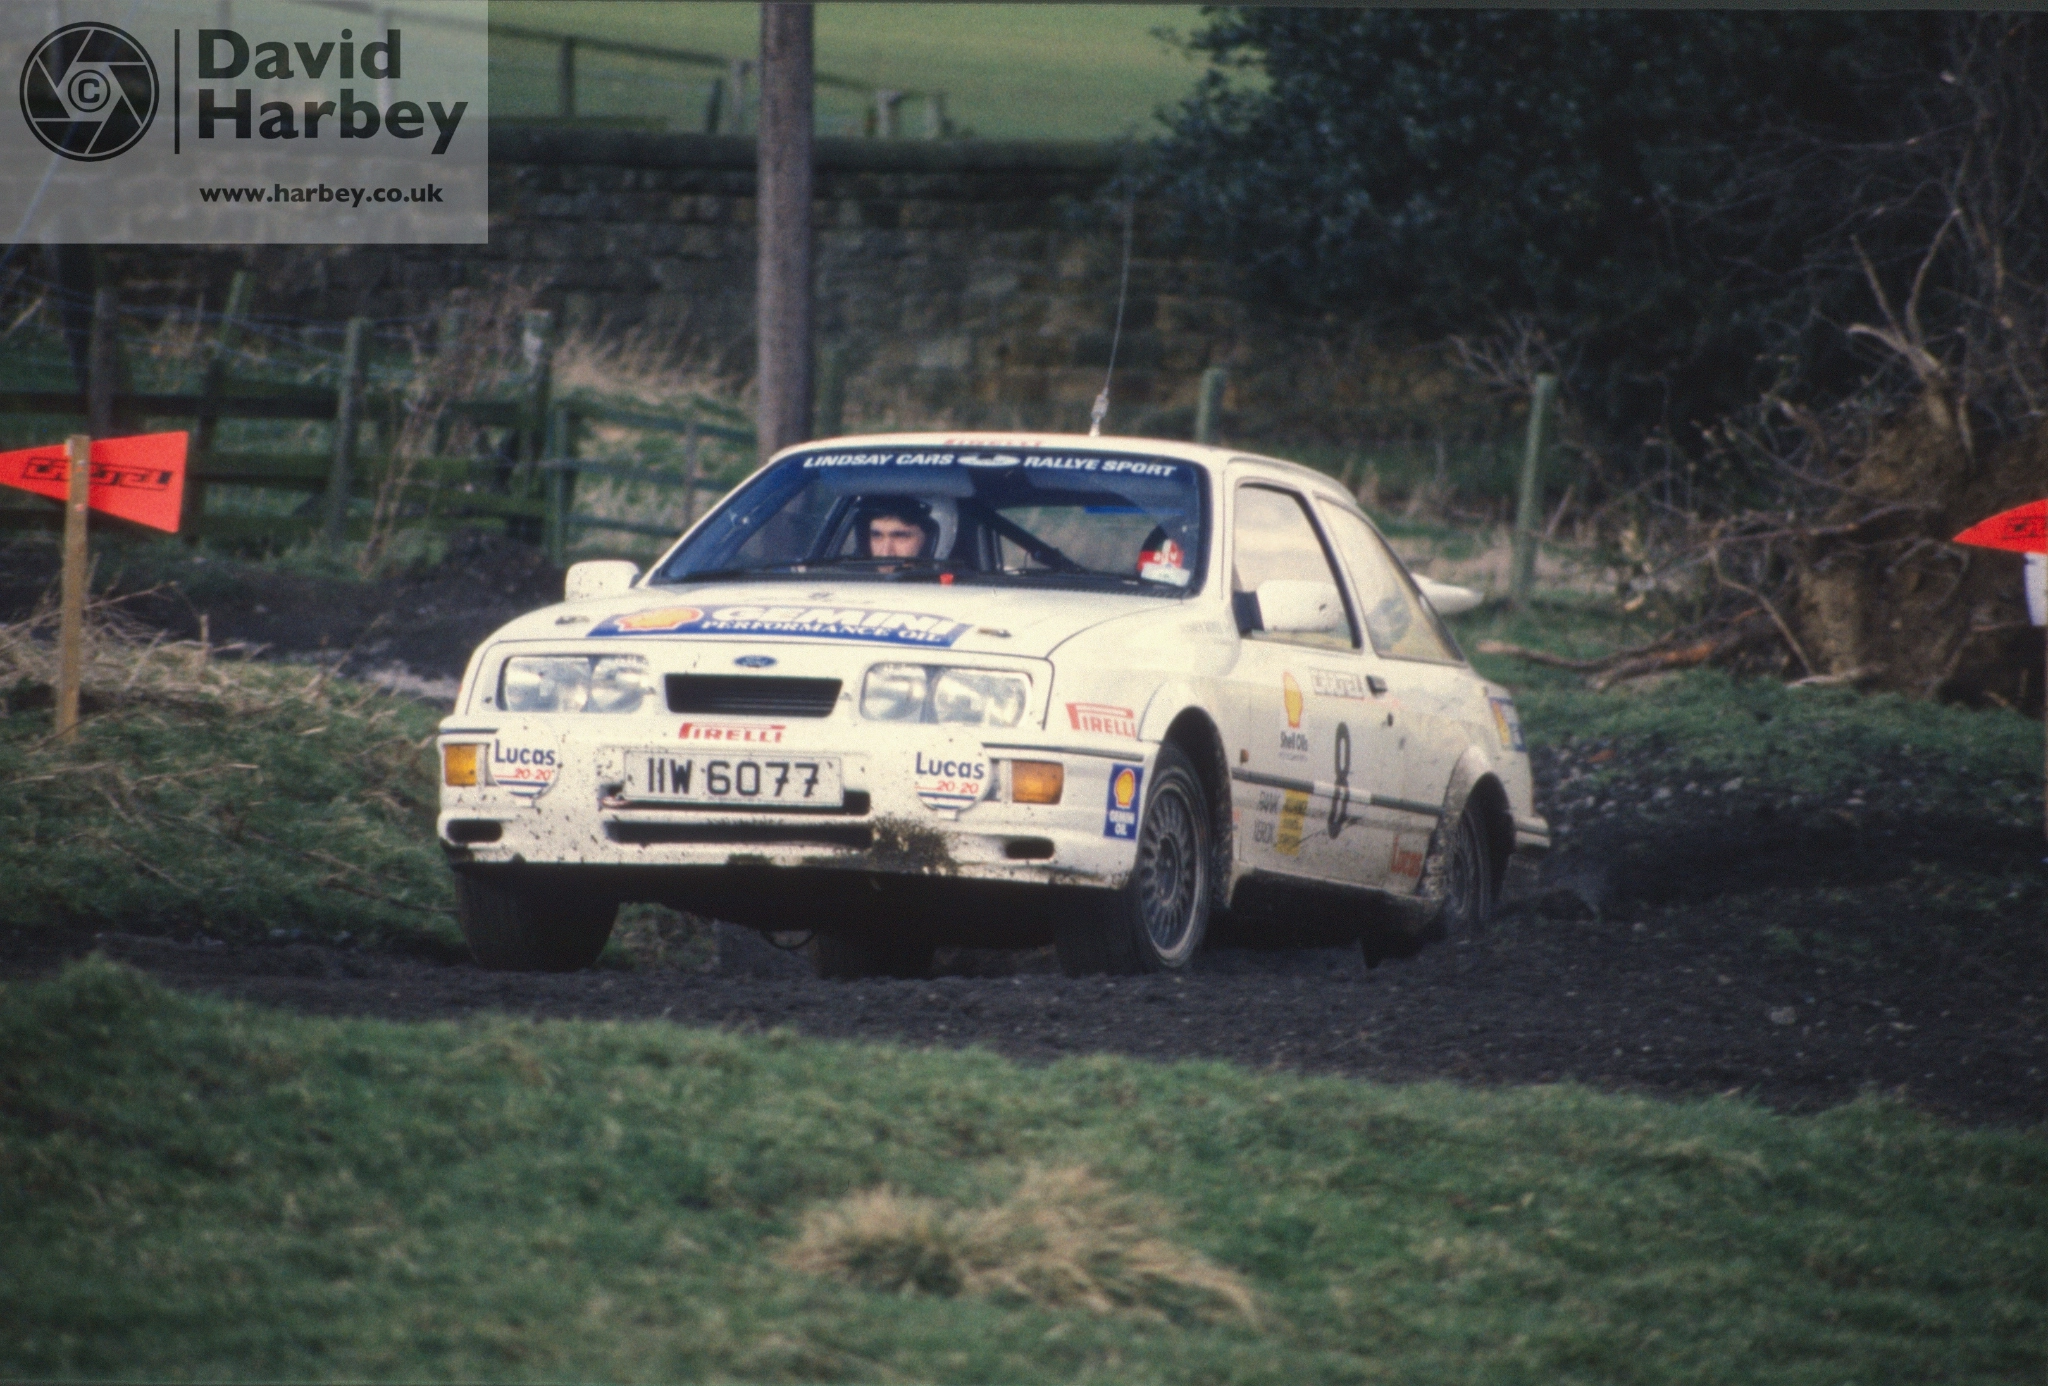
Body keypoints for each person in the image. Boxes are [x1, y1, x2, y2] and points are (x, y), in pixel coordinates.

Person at [856, 497, 939, 560]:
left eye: (900, 536)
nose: (886, 553)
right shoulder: (851, 580)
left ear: (926, 540)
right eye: (877, 536)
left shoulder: (940, 582)